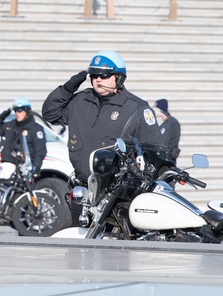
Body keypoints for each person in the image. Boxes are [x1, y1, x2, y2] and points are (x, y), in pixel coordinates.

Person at [42, 49, 162, 194]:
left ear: (119, 77)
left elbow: (155, 153)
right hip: (82, 189)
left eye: (104, 75)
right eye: (94, 75)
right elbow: (50, 114)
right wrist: (67, 89)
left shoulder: (136, 108)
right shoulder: (80, 100)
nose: (98, 79)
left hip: (115, 193)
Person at [0, 97, 47, 178]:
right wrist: (2, 116)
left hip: (23, 169)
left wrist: (36, 168)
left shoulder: (35, 128)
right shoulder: (12, 125)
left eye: (20, 110)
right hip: (7, 166)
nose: (17, 113)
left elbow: (40, 151)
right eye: (15, 110)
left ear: (27, 111)